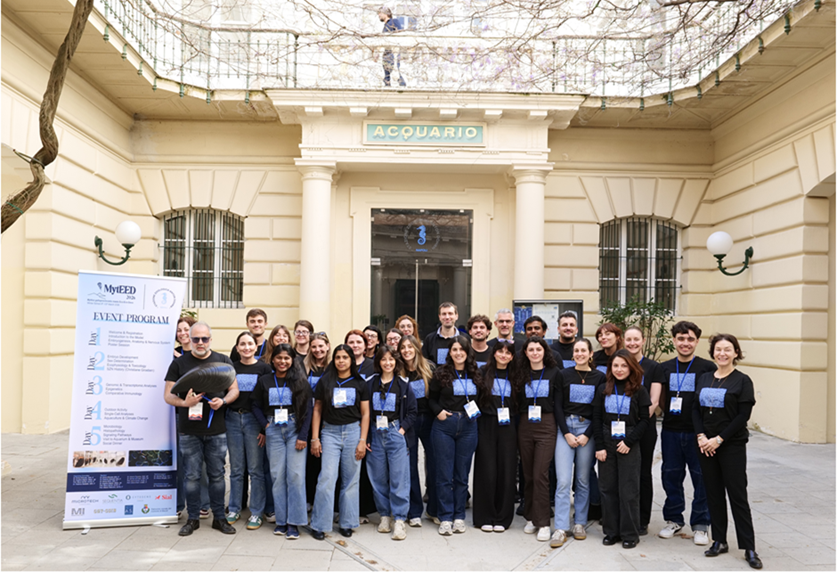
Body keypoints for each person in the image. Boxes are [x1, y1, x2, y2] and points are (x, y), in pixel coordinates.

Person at [164, 322, 239, 537]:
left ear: (210, 339)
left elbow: (234, 389)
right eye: (196, 339)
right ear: (189, 339)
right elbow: (168, 395)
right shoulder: (179, 364)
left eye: (204, 339)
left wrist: (223, 401)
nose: (200, 342)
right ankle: (193, 519)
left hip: (216, 430)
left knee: (217, 476)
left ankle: (219, 518)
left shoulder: (223, 361)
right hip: (189, 430)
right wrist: (184, 403)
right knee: (192, 476)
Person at [693, 334, 761, 569]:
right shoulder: (704, 378)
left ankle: (749, 547)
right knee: (713, 494)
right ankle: (719, 540)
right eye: (718, 349)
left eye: (727, 349)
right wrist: (701, 436)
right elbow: (695, 409)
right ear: (713, 352)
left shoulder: (742, 381)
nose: (722, 353)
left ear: (735, 353)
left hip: (731, 445)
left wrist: (719, 439)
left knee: (737, 495)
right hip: (706, 445)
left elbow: (743, 416)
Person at [658, 321, 716, 545]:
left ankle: (701, 524)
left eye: (690, 339)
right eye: (681, 339)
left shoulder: (707, 367)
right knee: (671, 475)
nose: (685, 343)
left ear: (697, 342)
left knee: (701, 478)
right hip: (671, 431)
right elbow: (660, 397)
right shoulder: (665, 367)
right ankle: (674, 519)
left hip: (698, 433)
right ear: (674, 340)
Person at [310, 345, 371, 540]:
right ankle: (320, 524)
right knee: (327, 478)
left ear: (351, 360)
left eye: (345, 357)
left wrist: (362, 440)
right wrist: (315, 438)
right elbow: (317, 410)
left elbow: (366, 413)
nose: (341, 361)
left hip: (353, 432)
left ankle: (347, 522)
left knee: (351, 479)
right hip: (330, 433)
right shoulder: (326, 381)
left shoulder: (360, 383)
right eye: (338, 357)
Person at [252, 344, 311, 539]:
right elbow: (255, 404)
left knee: (295, 476)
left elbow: (308, 410)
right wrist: (265, 425)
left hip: (295, 429)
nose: (282, 361)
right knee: (277, 476)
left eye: (286, 358)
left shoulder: (300, 381)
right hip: (274, 430)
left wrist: (303, 436)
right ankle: (282, 521)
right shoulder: (265, 381)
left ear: (293, 360)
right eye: (279, 358)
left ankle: (295, 522)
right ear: (273, 359)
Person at [593, 350, 651, 549]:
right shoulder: (603, 389)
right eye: (615, 365)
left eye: (624, 366)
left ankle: (629, 533)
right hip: (606, 440)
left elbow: (645, 420)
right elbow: (597, 418)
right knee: (607, 489)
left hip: (629, 442)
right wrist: (600, 446)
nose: (619, 369)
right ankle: (611, 531)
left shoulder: (639, 390)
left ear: (631, 367)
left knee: (628, 490)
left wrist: (629, 441)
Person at [551, 338, 606, 548]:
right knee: (564, 480)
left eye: (584, 350)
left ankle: (580, 523)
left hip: (587, 431)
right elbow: (557, 406)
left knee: (583, 479)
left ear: (591, 354)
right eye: (577, 351)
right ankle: (561, 527)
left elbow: (598, 410)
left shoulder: (599, 377)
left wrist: (587, 435)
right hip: (565, 429)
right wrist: (565, 433)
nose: (580, 354)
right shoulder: (563, 374)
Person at [428, 335, 481, 535]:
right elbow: (431, 398)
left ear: (468, 352)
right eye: (454, 349)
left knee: (461, 475)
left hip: (468, 426)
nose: (458, 353)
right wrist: (438, 412)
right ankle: (445, 517)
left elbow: (482, 397)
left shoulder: (476, 373)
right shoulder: (441, 373)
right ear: (449, 352)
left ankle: (459, 516)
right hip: (445, 426)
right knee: (444, 475)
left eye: (462, 349)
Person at [366, 346, 417, 541]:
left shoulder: (403, 385)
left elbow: (412, 411)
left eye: (391, 359)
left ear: (396, 362)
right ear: (378, 362)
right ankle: (384, 516)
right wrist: (366, 437)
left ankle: (400, 519)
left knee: (399, 478)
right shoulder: (370, 383)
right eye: (383, 359)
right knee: (378, 477)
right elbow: (364, 412)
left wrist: (402, 429)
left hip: (395, 432)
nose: (387, 363)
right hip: (375, 433)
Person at [516, 337, 561, 543]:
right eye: (531, 349)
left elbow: (558, 403)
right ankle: (530, 518)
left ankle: (543, 523)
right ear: (525, 353)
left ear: (545, 352)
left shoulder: (554, 373)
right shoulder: (521, 373)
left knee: (540, 474)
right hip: (525, 425)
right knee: (528, 474)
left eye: (538, 349)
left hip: (546, 425)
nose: (535, 353)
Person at [226, 332, 272, 530]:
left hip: (254, 421)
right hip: (233, 419)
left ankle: (256, 512)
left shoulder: (264, 369)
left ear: (256, 347)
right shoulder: (231, 368)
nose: (246, 347)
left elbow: (267, 400)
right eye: (242, 344)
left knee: (255, 469)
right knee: (236, 469)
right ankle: (234, 508)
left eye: (250, 344)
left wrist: (263, 427)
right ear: (237, 348)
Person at [472, 340, 520, 533]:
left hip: (508, 426)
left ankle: (502, 517)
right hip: (487, 423)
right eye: (500, 352)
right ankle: (485, 516)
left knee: (507, 470)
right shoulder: (483, 372)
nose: (503, 355)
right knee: (487, 470)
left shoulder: (516, 375)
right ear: (494, 353)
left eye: (508, 353)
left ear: (512, 356)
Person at [624, 326, 665, 536]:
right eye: (628, 339)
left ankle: (642, 519)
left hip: (644, 427)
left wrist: (636, 424)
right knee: (624, 473)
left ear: (643, 341)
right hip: (622, 428)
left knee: (642, 473)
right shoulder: (620, 363)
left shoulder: (653, 367)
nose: (632, 343)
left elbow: (654, 401)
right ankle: (624, 515)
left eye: (636, 339)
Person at [397, 334, 437, 526]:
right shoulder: (398, 371)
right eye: (403, 347)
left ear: (416, 348)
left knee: (435, 465)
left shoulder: (429, 368)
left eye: (410, 347)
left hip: (430, 421)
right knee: (410, 466)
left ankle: (434, 509)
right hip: (408, 423)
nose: (407, 351)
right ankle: (413, 511)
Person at [303, 332, 331, 508]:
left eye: (321, 346)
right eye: (314, 346)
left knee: (325, 462)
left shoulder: (333, 367)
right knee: (309, 462)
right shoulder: (304, 367)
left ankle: (323, 502)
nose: (317, 349)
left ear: (327, 346)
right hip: (307, 418)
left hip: (327, 419)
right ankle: (308, 499)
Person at [378, 7, 406, 87]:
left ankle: (402, 86)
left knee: (395, 73)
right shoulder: (385, 26)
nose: (379, 15)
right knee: (387, 76)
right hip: (386, 54)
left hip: (393, 54)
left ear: (386, 14)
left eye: (380, 13)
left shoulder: (394, 21)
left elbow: (400, 35)